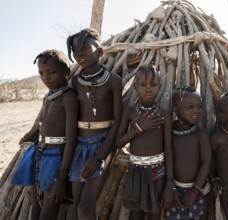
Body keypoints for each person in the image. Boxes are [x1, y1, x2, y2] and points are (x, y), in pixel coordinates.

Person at [11, 49, 78, 220]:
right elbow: (40, 122)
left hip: (55, 160)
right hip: (38, 155)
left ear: (66, 72)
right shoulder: (48, 97)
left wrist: (62, 177)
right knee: (36, 205)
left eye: (51, 72)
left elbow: (71, 139)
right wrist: (29, 135)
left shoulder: (68, 99)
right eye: (41, 73)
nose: (45, 77)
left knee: (48, 212)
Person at [66, 28, 123, 220]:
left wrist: (99, 157)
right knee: (77, 204)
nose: (79, 53)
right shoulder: (75, 83)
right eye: (74, 50)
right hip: (80, 145)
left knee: (85, 207)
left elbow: (117, 122)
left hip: (103, 144)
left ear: (100, 52)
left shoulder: (114, 82)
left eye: (84, 48)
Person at [116, 65, 173, 220]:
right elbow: (118, 142)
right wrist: (139, 128)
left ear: (159, 87)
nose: (148, 89)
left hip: (158, 171)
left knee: (155, 212)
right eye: (143, 85)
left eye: (153, 85)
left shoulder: (164, 114)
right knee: (135, 214)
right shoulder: (130, 112)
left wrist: (169, 183)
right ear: (135, 87)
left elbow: (168, 150)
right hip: (135, 170)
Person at [165, 87, 211, 220]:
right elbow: (167, 158)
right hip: (175, 190)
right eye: (190, 107)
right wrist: (171, 188)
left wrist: (194, 191)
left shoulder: (200, 134)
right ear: (175, 110)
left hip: (197, 190)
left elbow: (206, 162)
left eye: (199, 106)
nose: (196, 110)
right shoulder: (170, 133)